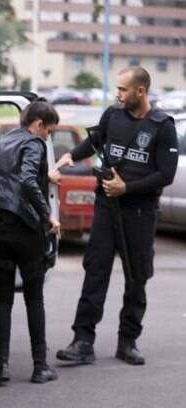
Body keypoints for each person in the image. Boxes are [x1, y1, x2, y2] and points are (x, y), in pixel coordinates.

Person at [55, 66, 178, 366]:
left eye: (123, 89)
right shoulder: (113, 115)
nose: (118, 94)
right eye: (117, 89)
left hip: (140, 212)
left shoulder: (163, 126)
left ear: (140, 91)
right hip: (106, 209)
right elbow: (95, 142)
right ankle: (83, 341)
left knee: (136, 278)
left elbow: (166, 174)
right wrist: (71, 156)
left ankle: (128, 342)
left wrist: (127, 187)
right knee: (96, 272)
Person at [0, 99, 62, 385]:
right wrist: (48, 216)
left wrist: (45, 175)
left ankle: (0, 366)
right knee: (34, 298)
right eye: (49, 131)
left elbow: (9, 178)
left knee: (2, 300)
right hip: (26, 231)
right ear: (39, 124)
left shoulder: (5, 140)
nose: (47, 137)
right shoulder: (34, 143)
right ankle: (40, 366)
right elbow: (28, 180)